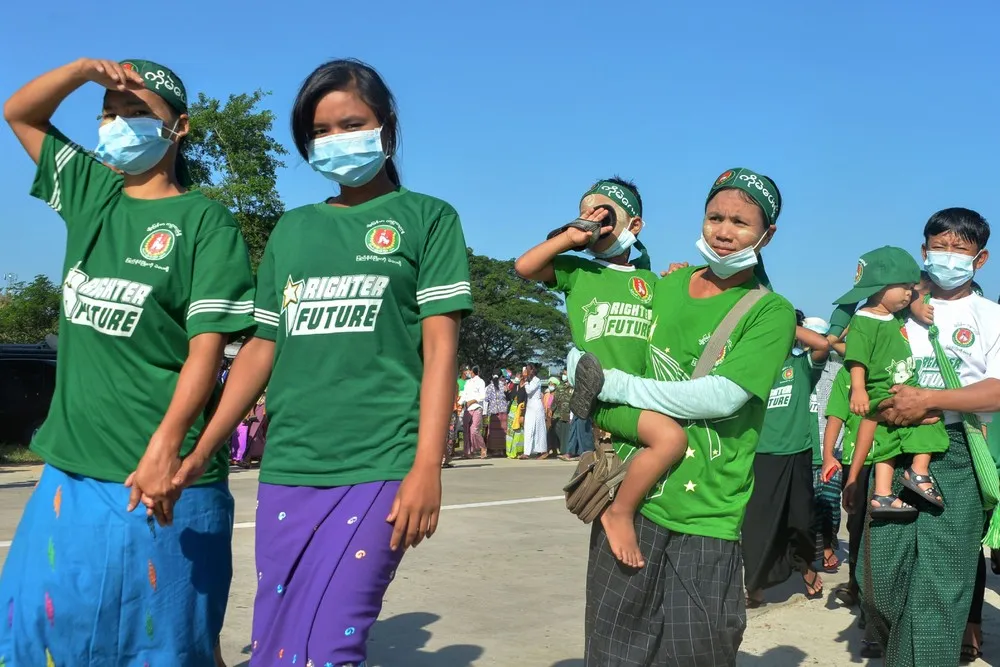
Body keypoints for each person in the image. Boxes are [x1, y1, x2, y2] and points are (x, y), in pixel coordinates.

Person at [174, 58, 473, 667]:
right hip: (291, 464)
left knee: (332, 644)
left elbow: (441, 352)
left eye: (352, 123)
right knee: (276, 639)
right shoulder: (292, 230)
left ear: (386, 126)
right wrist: (203, 447)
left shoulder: (428, 219)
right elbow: (262, 346)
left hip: (379, 463)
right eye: (322, 131)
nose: (337, 140)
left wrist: (426, 468)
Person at [0, 58, 255, 665]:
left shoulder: (204, 222)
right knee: (40, 635)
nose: (118, 124)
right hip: (71, 471)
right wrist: (85, 71)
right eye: (110, 113)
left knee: (166, 647)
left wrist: (169, 445)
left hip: (160, 480)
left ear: (180, 128)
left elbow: (207, 348)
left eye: (138, 112)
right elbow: (19, 112)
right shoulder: (92, 193)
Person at [568, 167, 795, 666]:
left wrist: (617, 385)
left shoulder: (771, 311)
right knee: (614, 645)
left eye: (740, 221)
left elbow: (721, 397)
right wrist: (577, 364)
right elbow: (598, 336)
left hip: (707, 507)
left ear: (767, 234)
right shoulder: (661, 287)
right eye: (715, 216)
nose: (724, 230)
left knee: (701, 646)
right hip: (631, 490)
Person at [516, 176, 686, 567]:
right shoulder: (576, 270)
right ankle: (618, 512)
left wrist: (681, 276)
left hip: (646, 392)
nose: (595, 222)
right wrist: (571, 236)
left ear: (635, 226)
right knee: (670, 440)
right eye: (586, 214)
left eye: (605, 215)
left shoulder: (650, 283)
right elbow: (525, 266)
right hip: (605, 394)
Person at [861, 208, 1000, 667]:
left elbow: (997, 389)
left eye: (959, 250)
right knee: (877, 581)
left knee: (941, 587)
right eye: (939, 247)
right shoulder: (888, 309)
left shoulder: (989, 316)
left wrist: (930, 400)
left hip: (955, 453)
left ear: (978, 260)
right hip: (890, 451)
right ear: (923, 251)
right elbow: (856, 364)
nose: (948, 257)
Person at [837, 247, 947, 519]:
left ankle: (882, 494)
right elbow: (856, 358)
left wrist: (917, 305)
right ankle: (919, 472)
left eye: (913, 288)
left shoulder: (895, 315)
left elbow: (914, 299)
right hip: (879, 391)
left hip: (898, 389)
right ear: (880, 287)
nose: (911, 294)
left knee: (886, 443)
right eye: (905, 288)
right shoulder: (864, 319)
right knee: (931, 420)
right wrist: (859, 388)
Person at [742, 310, 830, 607]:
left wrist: (785, 325)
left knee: (802, 522)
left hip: (798, 454)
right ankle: (754, 585)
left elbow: (822, 345)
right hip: (762, 456)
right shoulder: (756, 365)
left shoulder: (801, 365)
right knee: (758, 525)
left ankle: (804, 565)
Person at [520, 364, 549, 459]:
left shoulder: (536, 380)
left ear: (532, 370)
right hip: (530, 407)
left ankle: (543, 451)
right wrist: (524, 380)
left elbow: (529, 390)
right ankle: (526, 452)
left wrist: (525, 381)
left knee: (539, 429)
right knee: (528, 428)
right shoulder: (529, 381)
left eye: (528, 370)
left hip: (537, 407)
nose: (526, 372)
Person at [459, 365, 487, 459]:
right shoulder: (468, 382)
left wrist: (473, 401)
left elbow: (482, 396)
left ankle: (482, 447)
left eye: (469, 371)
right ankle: (468, 452)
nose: (467, 372)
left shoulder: (480, 381)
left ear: (472, 371)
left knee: (474, 430)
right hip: (467, 408)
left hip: (476, 407)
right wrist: (459, 403)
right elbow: (464, 395)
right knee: (466, 431)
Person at [484, 372, 509, 456]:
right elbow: (508, 396)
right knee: (503, 432)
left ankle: (493, 450)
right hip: (503, 411)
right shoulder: (504, 385)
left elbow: (486, 399)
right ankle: (503, 450)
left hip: (493, 413)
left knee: (493, 433)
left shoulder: (489, 387)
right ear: (500, 376)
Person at [506, 376, 527, 459]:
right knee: (511, 433)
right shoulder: (515, 387)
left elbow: (525, 401)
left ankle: (518, 451)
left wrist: (522, 415)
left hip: (520, 411)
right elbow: (511, 397)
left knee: (519, 432)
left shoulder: (526, 388)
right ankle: (510, 452)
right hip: (512, 412)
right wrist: (506, 391)